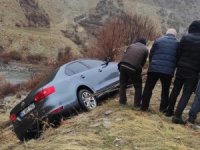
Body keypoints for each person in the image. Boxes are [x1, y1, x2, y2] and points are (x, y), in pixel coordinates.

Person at [165, 20, 200, 124]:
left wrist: (178, 64)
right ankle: (177, 115)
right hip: (193, 71)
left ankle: (169, 111)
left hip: (181, 68)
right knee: (186, 93)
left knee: (175, 89)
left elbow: (178, 52)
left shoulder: (185, 37)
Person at [141, 28, 179, 112]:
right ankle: (163, 109)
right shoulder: (177, 43)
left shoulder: (158, 40)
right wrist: (173, 67)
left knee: (148, 88)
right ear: (174, 35)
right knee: (165, 90)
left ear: (166, 33)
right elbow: (178, 57)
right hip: (168, 71)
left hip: (154, 68)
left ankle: (144, 107)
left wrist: (152, 64)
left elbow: (151, 54)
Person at [118, 38, 148, 107]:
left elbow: (125, 55)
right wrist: (139, 71)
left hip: (122, 65)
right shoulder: (145, 49)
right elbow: (142, 63)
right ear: (144, 43)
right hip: (134, 67)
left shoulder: (131, 46)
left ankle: (122, 102)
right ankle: (137, 105)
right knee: (138, 87)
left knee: (122, 85)